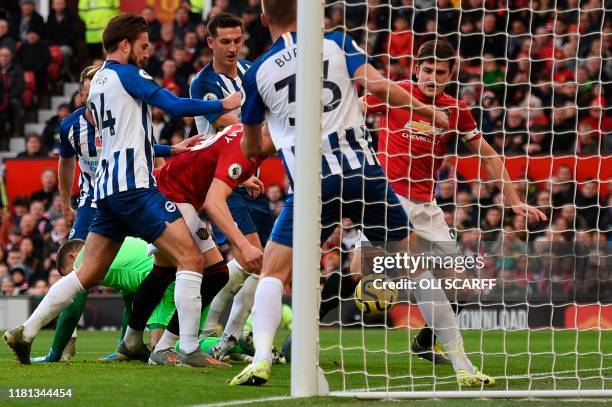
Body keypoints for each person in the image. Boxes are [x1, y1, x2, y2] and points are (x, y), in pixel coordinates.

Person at [229, 0, 495, 389]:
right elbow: (379, 86)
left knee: (274, 271)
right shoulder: (336, 41)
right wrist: (427, 110)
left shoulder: (256, 73)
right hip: (364, 175)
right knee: (417, 268)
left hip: (312, 182)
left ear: (264, 19)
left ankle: (261, 359)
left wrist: (281, 133)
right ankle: (463, 366)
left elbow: (252, 149)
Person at [4, 13, 240, 367]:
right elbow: (173, 106)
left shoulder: (97, 81)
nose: (148, 53)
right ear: (126, 44)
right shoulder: (129, 74)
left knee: (86, 274)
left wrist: (168, 150)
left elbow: (124, 135)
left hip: (105, 191)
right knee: (191, 260)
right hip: (135, 188)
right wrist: (221, 104)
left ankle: (26, 329)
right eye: (144, 46)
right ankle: (188, 348)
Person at [361, 40, 547, 363]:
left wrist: (515, 201)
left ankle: (424, 342)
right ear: (417, 69)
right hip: (387, 200)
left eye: (440, 73)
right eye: (428, 71)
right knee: (357, 272)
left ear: (451, 74)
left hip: (426, 207)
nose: (432, 78)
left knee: (461, 287)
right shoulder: (395, 92)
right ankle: (301, 337)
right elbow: (355, 111)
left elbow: (488, 156)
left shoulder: (456, 110)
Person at [121, 123, 274, 366]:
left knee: (164, 271)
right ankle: (181, 347)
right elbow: (214, 203)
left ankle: (132, 342)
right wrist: (244, 246)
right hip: (174, 195)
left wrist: (242, 180)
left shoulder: (241, 131)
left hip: (166, 188)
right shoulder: (244, 152)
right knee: (214, 272)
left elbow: (209, 152)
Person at [189, 12, 274, 359]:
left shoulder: (250, 70)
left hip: (247, 174)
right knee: (257, 259)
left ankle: (230, 335)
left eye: (237, 40)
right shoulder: (204, 84)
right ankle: (217, 332)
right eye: (225, 41)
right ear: (211, 42)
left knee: (264, 260)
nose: (233, 48)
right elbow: (237, 129)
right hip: (220, 182)